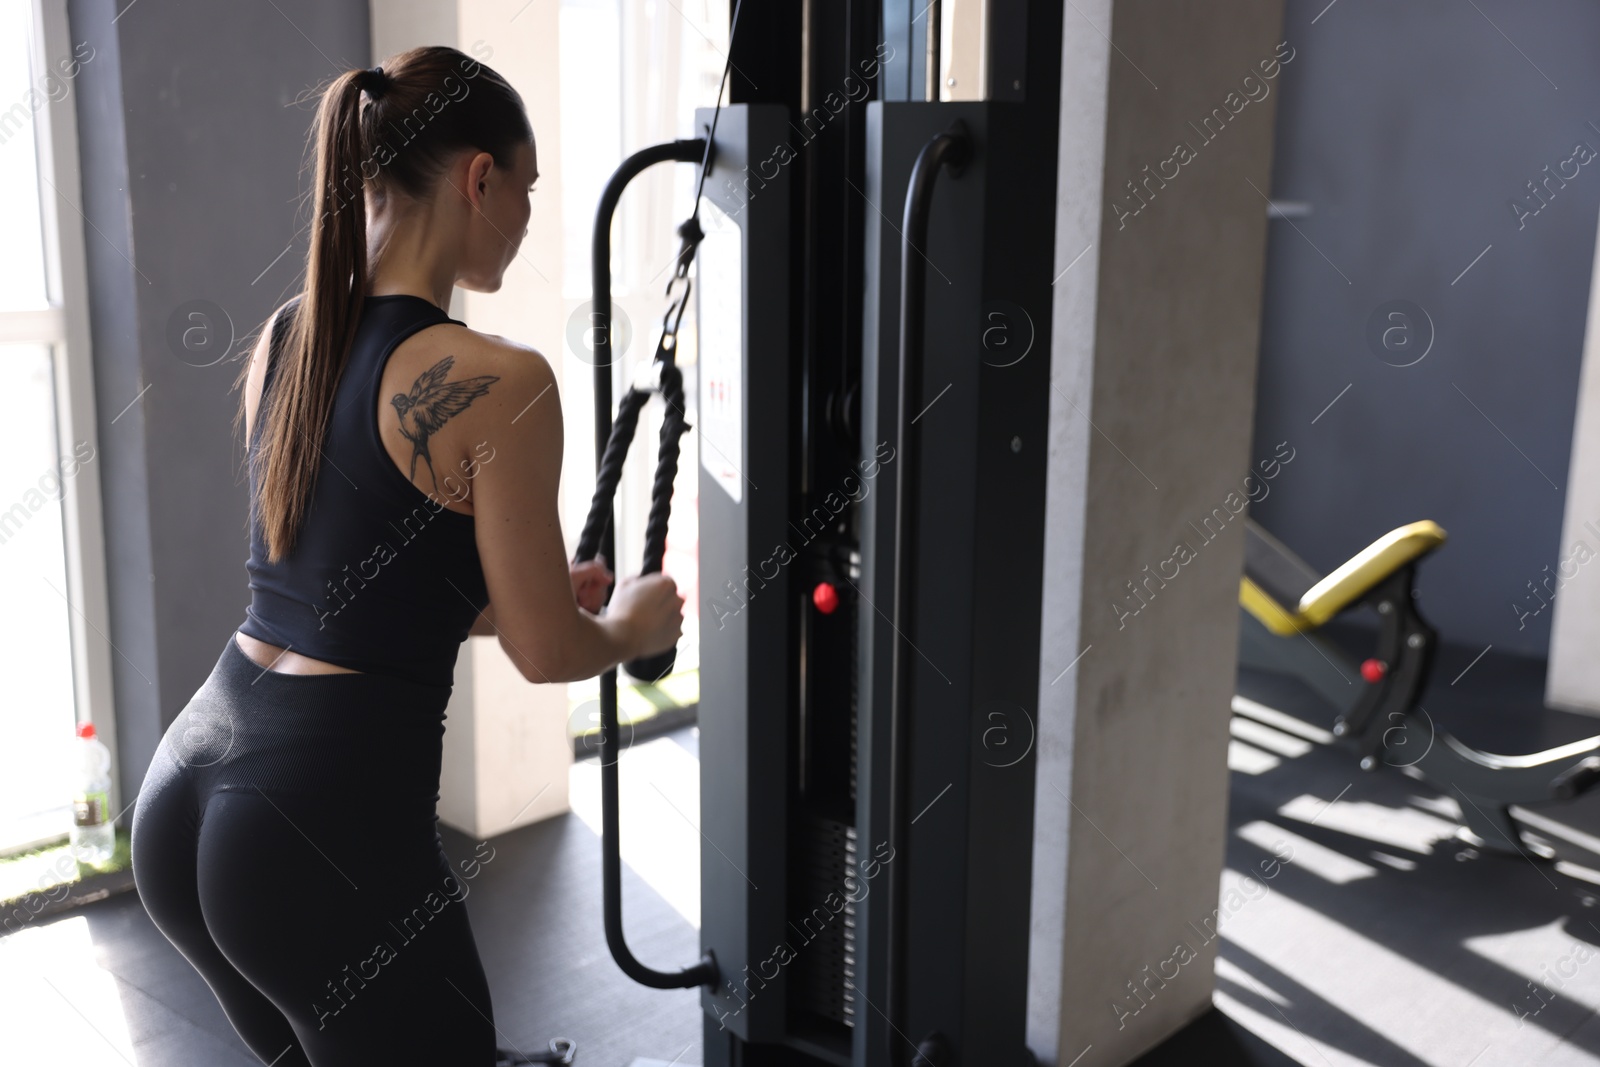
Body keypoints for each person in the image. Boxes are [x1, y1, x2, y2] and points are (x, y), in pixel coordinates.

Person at [129, 46, 684, 1066]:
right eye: (527, 189)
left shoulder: (286, 338)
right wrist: (629, 626)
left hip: (187, 793)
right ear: (481, 178)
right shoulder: (498, 381)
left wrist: (515, 591)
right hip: (315, 822)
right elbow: (547, 652)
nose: (525, 216)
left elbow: (339, 591)